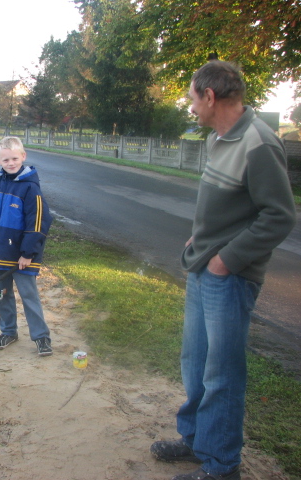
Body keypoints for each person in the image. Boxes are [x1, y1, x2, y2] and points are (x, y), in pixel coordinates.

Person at [150, 61, 296, 480]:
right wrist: (201, 239)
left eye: (193, 99)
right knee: (195, 361)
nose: (191, 108)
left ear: (210, 97)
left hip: (229, 277)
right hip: (204, 266)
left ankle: (221, 465)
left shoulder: (259, 143)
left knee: (222, 372)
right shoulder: (219, 138)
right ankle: (196, 440)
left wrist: (225, 258)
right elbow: (227, 207)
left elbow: (279, 216)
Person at [0, 136, 54, 357]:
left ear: (23, 156)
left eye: (14, 158)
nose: (10, 163)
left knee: (29, 296)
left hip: (22, 256)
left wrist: (27, 253)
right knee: (1, 294)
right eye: (5, 160)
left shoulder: (31, 189)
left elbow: (39, 222)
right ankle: (8, 332)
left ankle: (41, 337)